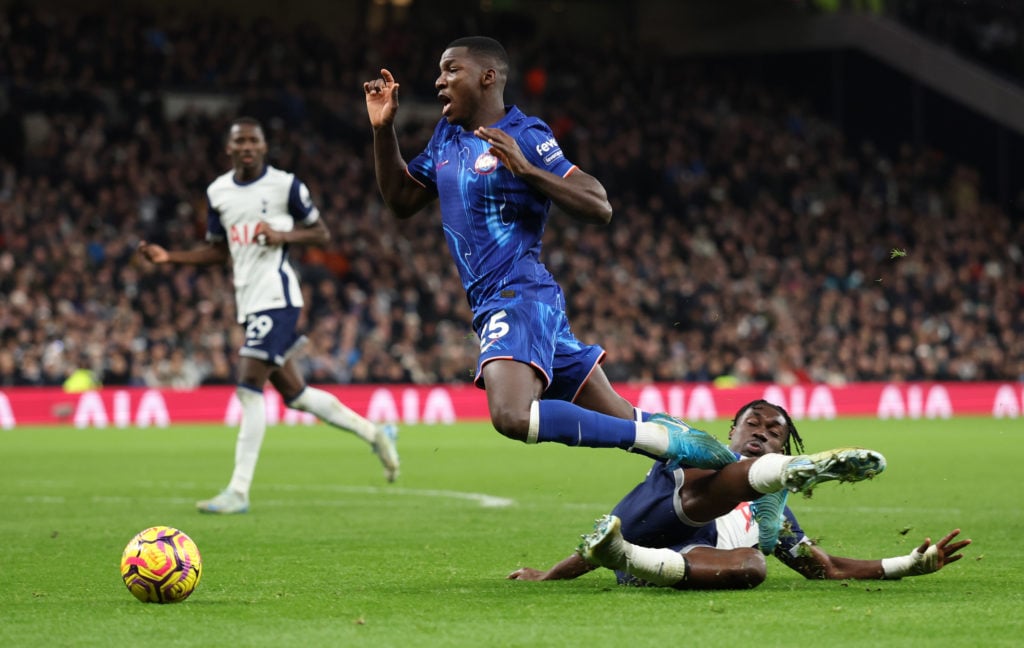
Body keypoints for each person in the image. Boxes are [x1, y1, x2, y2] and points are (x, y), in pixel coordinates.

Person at [363, 35, 738, 466]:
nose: (438, 81)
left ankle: (664, 441)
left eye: (451, 70)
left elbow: (599, 205)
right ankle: (740, 471)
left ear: (488, 78)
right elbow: (401, 200)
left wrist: (527, 169)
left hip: (519, 296)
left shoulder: (526, 133)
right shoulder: (447, 137)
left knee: (511, 415)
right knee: (626, 419)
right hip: (507, 305)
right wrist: (382, 130)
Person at [137, 117, 399, 514]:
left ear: (263, 147)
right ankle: (375, 433)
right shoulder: (218, 192)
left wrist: (283, 235)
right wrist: (169, 256)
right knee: (296, 395)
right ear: (229, 149)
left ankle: (238, 492)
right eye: (239, 141)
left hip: (278, 297)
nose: (247, 146)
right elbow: (217, 251)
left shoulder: (285, 185)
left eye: (254, 141)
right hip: (249, 302)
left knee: (248, 386)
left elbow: (321, 234)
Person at [508, 400, 970, 589]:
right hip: (661, 517)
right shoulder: (692, 458)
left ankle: (626, 556)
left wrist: (910, 565)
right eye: (753, 424)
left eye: (774, 432)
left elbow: (825, 569)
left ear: (782, 447)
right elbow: (627, 514)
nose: (762, 432)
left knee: (755, 562)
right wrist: (550, 576)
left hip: (657, 564)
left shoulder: (777, 519)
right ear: (733, 428)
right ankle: (783, 474)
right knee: (707, 473)